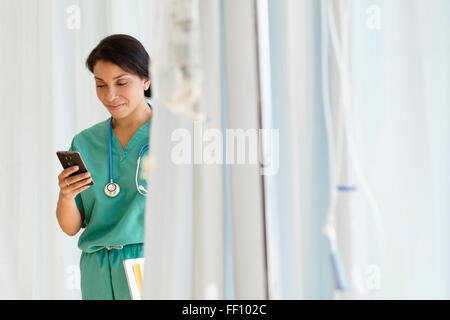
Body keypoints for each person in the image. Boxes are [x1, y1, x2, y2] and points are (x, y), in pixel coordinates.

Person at [55, 34, 152, 300]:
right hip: (96, 268)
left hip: (149, 262)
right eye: (100, 85)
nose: (110, 95)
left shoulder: (172, 136)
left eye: (122, 83)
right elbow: (71, 226)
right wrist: (66, 195)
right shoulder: (85, 142)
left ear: (146, 79)